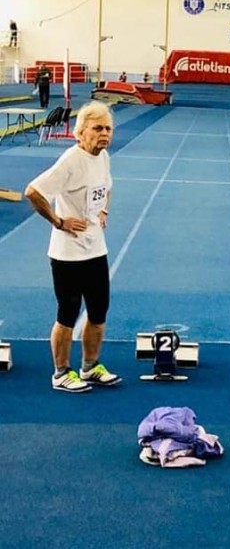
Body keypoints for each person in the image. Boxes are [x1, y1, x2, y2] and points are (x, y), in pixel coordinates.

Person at [24, 101, 121, 393]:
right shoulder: (70, 161)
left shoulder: (103, 157)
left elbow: (106, 187)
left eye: (108, 129)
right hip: (67, 253)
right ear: (81, 132)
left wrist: (104, 210)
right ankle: (61, 373)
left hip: (96, 249)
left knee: (99, 311)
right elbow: (33, 192)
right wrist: (59, 221)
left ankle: (90, 367)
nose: (104, 134)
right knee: (68, 313)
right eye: (97, 128)